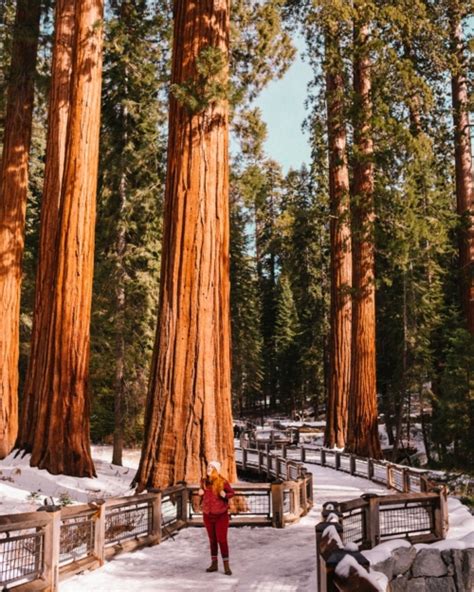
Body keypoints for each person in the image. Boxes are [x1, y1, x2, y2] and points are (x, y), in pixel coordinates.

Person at [198, 460, 235, 575]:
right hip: (208, 515)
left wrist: (225, 495)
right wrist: (200, 492)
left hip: (221, 516)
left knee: (222, 540)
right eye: (208, 466)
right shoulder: (204, 482)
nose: (208, 468)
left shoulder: (222, 482)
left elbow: (231, 493)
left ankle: (226, 566)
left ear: (216, 470)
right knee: (212, 540)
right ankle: (214, 564)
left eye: (211, 467)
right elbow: (204, 495)